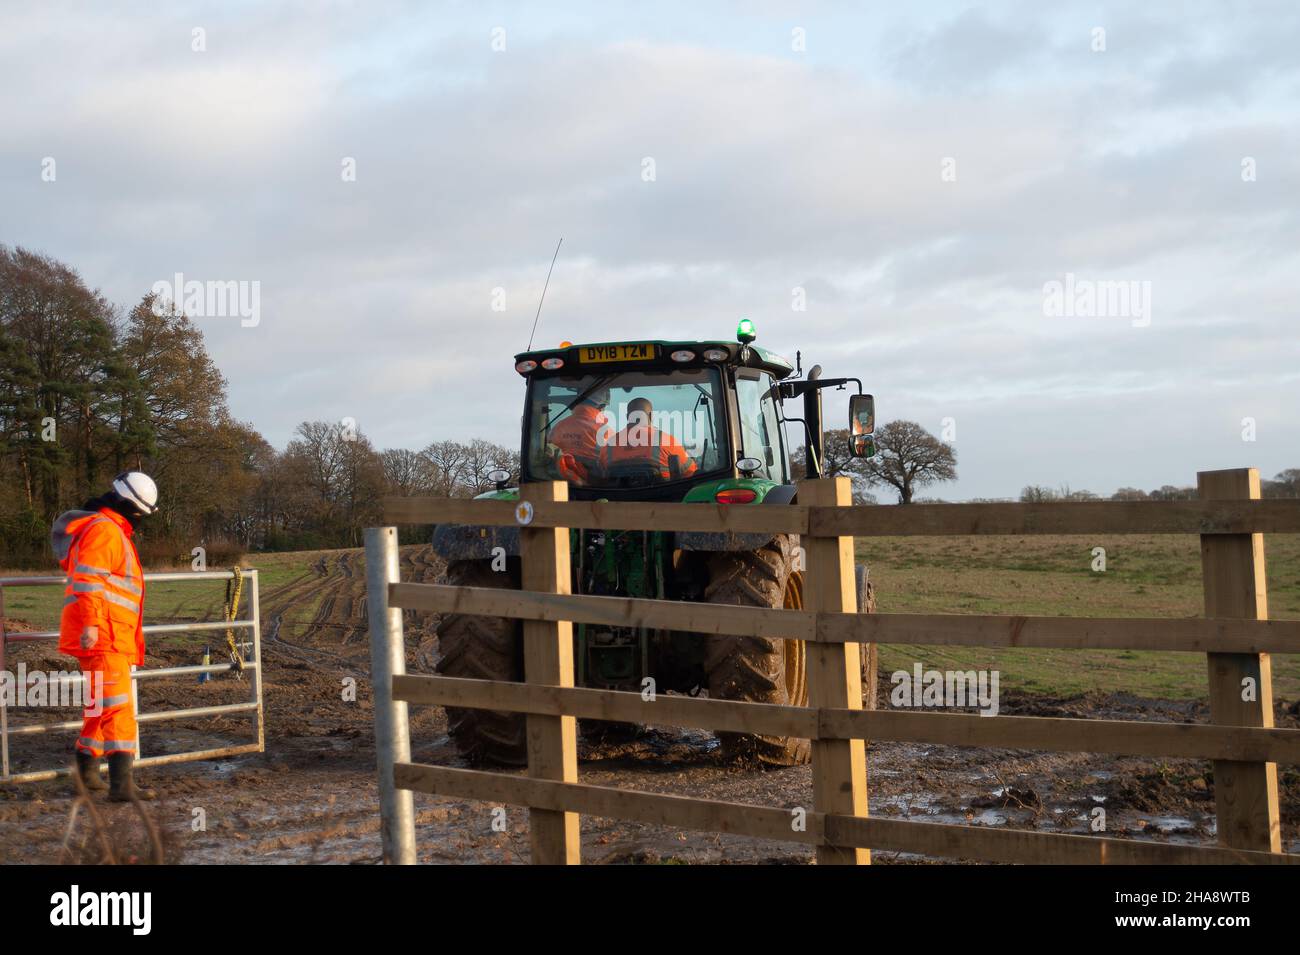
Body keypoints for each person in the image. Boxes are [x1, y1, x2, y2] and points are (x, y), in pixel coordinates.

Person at [52, 471, 159, 801]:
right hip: (104, 635)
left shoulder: (107, 529)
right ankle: (122, 786)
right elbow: (88, 581)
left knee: (101, 706)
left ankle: (87, 776)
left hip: (108, 633)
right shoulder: (105, 531)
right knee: (118, 708)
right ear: (132, 508)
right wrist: (92, 625)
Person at [600, 397, 698, 480]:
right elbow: (690, 472)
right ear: (651, 416)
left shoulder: (609, 445)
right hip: (664, 499)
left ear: (627, 417)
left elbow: (601, 476)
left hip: (618, 500)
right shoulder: (666, 441)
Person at [547, 384, 612, 484]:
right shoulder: (605, 432)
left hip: (559, 487)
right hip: (594, 488)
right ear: (602, 406)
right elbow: (611, 465)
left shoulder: (557, 427)